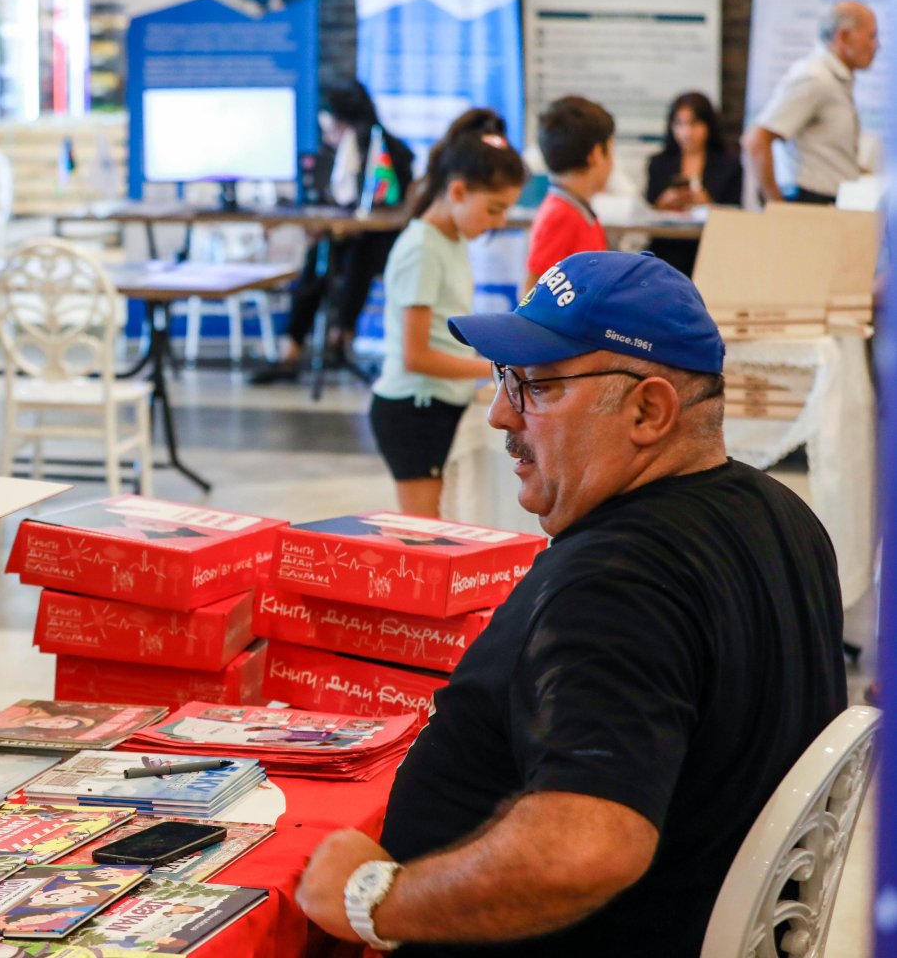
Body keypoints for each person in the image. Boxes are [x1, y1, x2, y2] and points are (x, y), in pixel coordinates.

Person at [296, 251, 845, 956]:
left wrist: (375, 900)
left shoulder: (616, 581)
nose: (499, 414)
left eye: (537, 386)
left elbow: (586, 848)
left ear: (648, 410)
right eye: (505, 379)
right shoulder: (780, 516)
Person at [368, 111, 525, 518]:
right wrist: (493, 369)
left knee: (445, 529)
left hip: (438, 405)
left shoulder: (449, 238)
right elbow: (415, 356)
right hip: (413, 412)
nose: (500, 222)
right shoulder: (421, 248)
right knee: (422, 542)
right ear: (457, 191)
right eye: (493, 209)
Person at [253, 82, 415, 384]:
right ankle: (292, 347)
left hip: (379, 240)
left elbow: (394, 202)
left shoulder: (387, 149)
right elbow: (324, 197)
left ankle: (341, 338)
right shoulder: (331, 153)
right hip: (339, 238)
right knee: (317, 261)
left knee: (358, 258)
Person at [744, 0, 879, 204]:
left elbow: (826, 157)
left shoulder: (835, 79)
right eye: (871, 36)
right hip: (810, 204)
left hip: (834, 202)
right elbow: (756, 140)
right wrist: (776, 204)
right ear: (843, 36)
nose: (876, 46)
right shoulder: (815, 77)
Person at [644, 91, 742, 277]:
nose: (686, 132)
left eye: (694, 124)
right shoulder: (659, 163)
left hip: (711, 246)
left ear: (709, 125)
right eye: (679, 124)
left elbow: (735, 210)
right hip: (668, 247)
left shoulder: (729, 164)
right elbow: (646, 209)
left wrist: (707, 203)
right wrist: (663, 203)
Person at [523, 95, 612, 291]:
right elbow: (530, 292)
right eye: (611, 150)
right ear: (596, 154)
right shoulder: (560, 215)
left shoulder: (577, 209)